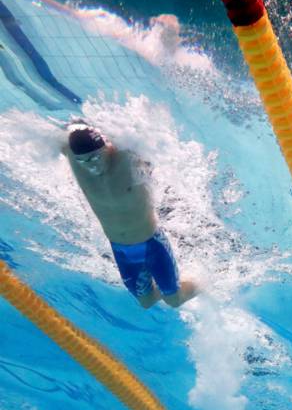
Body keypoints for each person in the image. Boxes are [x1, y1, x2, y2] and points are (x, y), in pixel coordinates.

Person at [62, 122, 197, 308]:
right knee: (146, 302)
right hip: (120, 249)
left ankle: (204, 283)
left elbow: (147, 132)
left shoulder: (126, 157)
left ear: (106, 148)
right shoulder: (75, 159)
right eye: (84, 161)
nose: (90, 166)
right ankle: (175, 282)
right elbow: (59, 137)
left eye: (94, 158)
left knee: (173, 301)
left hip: (151, 244)